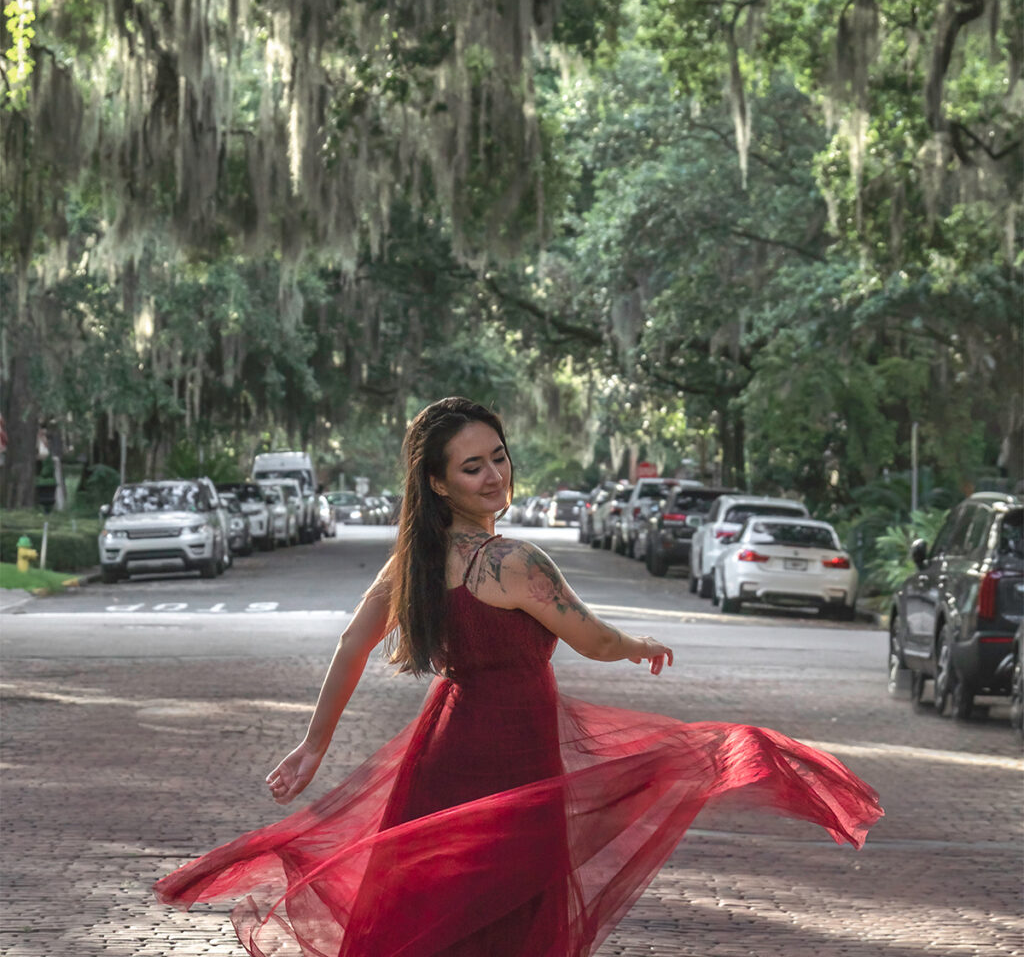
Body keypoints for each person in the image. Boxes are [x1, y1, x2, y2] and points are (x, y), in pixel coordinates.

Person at [153, 397, 883, 957]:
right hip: (510, 750)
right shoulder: (513, 563)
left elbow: (352, 643)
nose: (494, 474)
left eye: (498, 456)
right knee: (508, 910)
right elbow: (590, 638)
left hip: (441, 747)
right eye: (473, 466)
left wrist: (316, 744)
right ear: (438, 482)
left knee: (437, 903)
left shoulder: (414, 561)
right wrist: (636, 644)